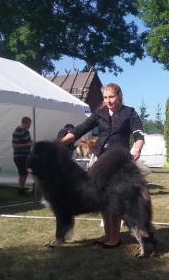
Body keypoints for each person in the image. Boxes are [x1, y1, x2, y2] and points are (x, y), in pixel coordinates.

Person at [60, 82, 145, 249]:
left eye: (111, 97)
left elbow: (139, 134)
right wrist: (60, 142)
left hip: (118, 162)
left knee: (114, 201)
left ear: (119, 95)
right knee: (103, 201)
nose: (108, 101)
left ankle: (115, 238)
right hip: (100, 161)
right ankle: (107, 235)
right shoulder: (99, 114)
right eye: (105, 97)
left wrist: (137, 148)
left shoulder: (130, 113)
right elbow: (80, 129)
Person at [12, 116, 34, 196]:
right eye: (28, 124)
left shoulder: (26, 131)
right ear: (24, 123)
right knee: (23, 173)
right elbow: (14, 145)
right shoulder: (17, 132)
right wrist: (27, 144)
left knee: (26, 172)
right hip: (19, 156)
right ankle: (20, 190)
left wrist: (31, 142)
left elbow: (27, 142)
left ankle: (22, 188)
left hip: (27, 155)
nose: (29, 126)